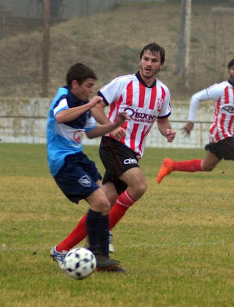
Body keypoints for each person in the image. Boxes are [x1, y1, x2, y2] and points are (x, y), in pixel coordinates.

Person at [50, 43, 176, 258]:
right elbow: (97, 105)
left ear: (161, 65)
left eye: (154, 60)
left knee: (104, 203)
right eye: (145, 59)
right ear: (140, 60)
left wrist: (167, 132)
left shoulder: (163, 92)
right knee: (139, 185)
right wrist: (113, 125)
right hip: (113, 145)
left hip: (133, 153)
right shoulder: (123, 83)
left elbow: (163, 121)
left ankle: (60, 249)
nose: (148, 63)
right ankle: (104, 234)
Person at [157, 57, 234, 210]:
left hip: (228, 134)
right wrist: (191, 121)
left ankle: (171, 165)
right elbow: (196, 98)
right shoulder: (221, 89)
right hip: (221, 133)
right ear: (229, 71)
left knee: (207, 166)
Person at [47, 63, 129, 272]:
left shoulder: (83, 103)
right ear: (75, 84)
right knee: (101, 201)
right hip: (64, 162)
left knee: (104, 202)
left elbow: (92, 132)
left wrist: (114, 124)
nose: (92, 90)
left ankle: (100, 255)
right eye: (89, 86)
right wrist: (90, 103)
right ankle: (96, 253)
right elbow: (61, 116)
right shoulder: (64, 97)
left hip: (78, 158)